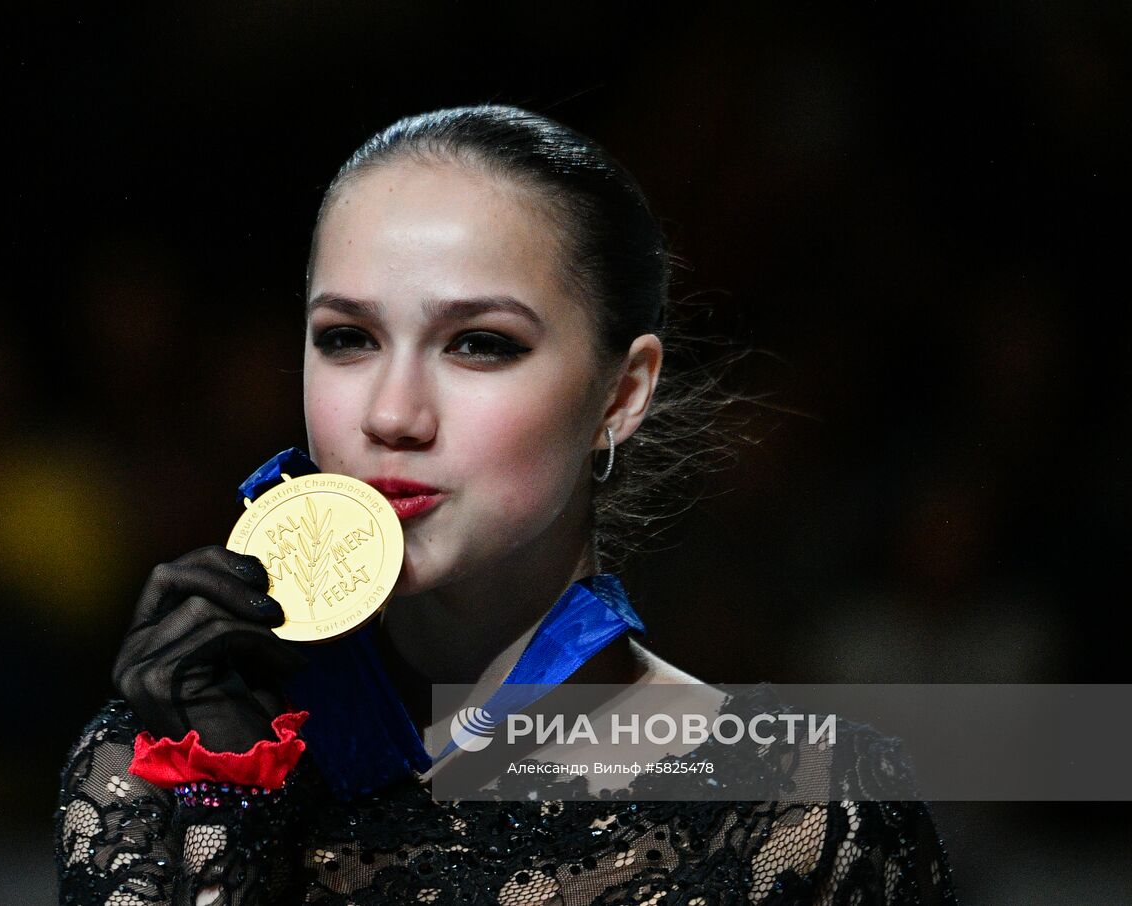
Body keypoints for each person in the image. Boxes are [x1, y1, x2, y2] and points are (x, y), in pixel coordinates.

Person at [54, 104, 958, 905]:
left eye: (479, 344)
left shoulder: (811, 811)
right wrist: (227, 805)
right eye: (348, 339)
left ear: (622, 391)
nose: (392, 414)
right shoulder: (154, 773)